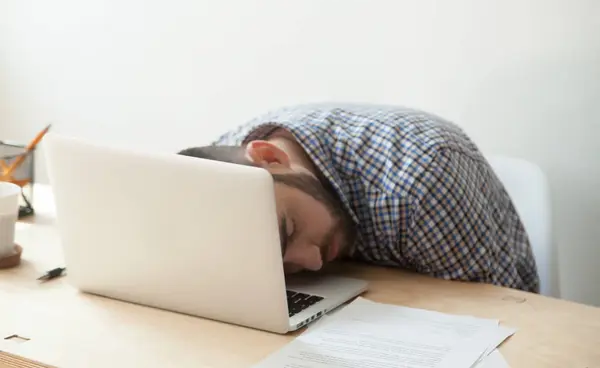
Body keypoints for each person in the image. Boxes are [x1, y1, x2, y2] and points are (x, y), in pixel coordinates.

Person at [178, 102, 540, 293]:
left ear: (272, 157)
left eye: (290, 230)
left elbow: (496, 320)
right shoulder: (225, 169)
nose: (313, 263)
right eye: (280, 262)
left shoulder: (418, 183)